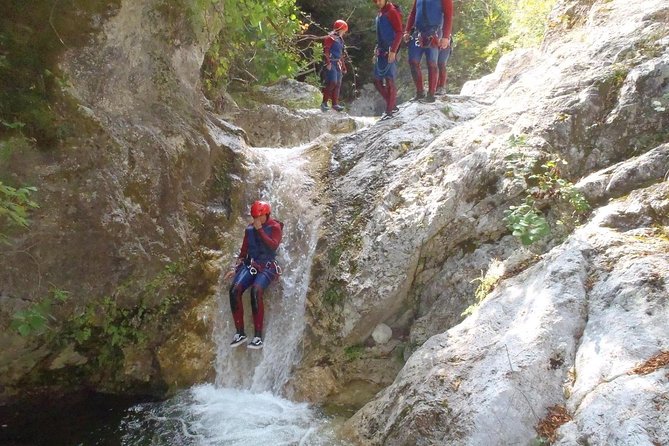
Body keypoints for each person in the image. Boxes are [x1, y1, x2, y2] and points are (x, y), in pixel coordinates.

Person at [223, 200, 283, 349]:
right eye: (254, 217)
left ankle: (257, 337)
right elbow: (244, 252)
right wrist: (235, 268)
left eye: (259, 216)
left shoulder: (275, 227)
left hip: (268, 266)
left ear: (266, 215)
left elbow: (273, 245)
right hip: (252, 265)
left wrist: (261, 230)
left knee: (256, 291)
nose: (256, 220)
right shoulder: (249, 229)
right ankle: (240, 333)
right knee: (234, 290)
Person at [403, 0, 453, 103]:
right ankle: (420, 92)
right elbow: (413, 13)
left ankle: (431, 94)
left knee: (432, 63)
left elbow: (448, 15)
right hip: (418, 33)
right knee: (413, 61)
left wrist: (446, 36)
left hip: (434, 32)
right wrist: (407, 30)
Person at [372, 0, 403, 120]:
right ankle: (392, 105)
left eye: (380, 0)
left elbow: (400, 32)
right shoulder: (380, 13)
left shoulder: (392, 12)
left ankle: (389, 110)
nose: (378, 2)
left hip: (391, 51)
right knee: (377, 80)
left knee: (390, 80)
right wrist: (376, 49)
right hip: (380, 51)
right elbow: (380, 34)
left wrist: (394, 51)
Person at [321, 20, 349, 112]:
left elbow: (340, 54)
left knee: (338, 84)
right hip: (331, 63)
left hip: (338, 63)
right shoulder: (330, 38)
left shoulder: (340, 40)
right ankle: (324, 103)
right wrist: (328, 63)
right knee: (332, 82)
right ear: (340, 29)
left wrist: (344, 66)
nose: (344, 32)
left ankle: (335, 104)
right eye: (343, 30)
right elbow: (326, 51)